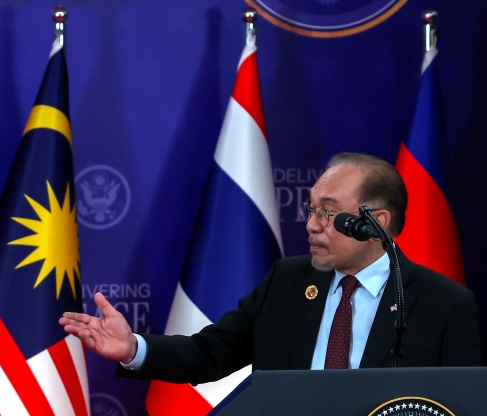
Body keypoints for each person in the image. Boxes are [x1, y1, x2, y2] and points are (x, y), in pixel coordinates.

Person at [60, 153, 481, 381]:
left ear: (376, 223)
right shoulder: (287, 282)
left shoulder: (444, 306)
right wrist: (135, 348)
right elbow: (208, 354)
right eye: (311, 209)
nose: (311, 224)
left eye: (329, 214)